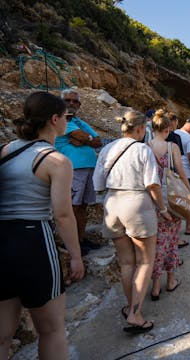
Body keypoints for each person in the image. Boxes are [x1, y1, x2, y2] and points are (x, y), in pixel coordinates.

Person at [0, 91, 85, 360]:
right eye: (66, 117)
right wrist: (76, 256)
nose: (68, 122)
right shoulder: (57, 161)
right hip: (33, 240)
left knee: (2, 333)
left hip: (2, 240)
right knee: (51, 329)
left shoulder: (7, 149)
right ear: (55, 119)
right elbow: (62, 215)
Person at [93, 110, 172, 334]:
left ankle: (130, 306)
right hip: (136, 203)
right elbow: (153, 184)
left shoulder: (107, 148)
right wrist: (163, 209)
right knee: (145, 262)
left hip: (112, 203)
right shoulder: (142, 149)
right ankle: (135, 314)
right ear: (140, 128)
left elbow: (97, 183)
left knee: (127, 263)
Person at [147, 110, 190, 300]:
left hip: (151, 200)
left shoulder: (145, 146)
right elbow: (181, 173)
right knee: (172, 240)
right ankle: (170, 280)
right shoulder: (172, 147)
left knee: (156, 242)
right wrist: (189, 193)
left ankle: (155, 286)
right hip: (171, 200)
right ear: (167, 129)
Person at [55, 89, 103, 255]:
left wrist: (87, 140)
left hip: (88, 168)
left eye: (75, 101)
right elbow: (83, 137)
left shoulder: (79, 121)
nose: (71, 104)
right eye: (67, 100)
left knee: (83, 206)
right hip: (72, 169)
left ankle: (81, 239)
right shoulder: (62, 120)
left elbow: (98, 141)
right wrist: (87, 139)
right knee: (73, 207)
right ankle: (72, 243)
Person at [164, 112, 188, 247]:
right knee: (175, 210)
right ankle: (176, 240)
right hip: (171, 177)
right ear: (173, 121)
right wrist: (186, 186)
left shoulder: (151, 138)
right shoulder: (175, 137)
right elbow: (179, 162)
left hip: (155, 178)